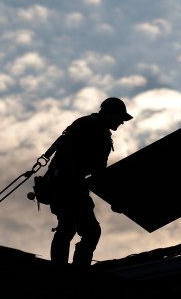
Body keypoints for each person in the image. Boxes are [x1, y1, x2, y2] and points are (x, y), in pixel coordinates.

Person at [47, 97, 133, 266]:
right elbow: (68, 155)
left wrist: (114, 198)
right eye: (120, 118)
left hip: (74, 185)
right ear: (109, 114)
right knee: (68, 226)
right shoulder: (86, 126)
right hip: (64, 183)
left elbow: (99, 173)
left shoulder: (101, 134)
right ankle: (59, 270)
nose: (122, 123)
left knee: (90, 231)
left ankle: (79, 268)